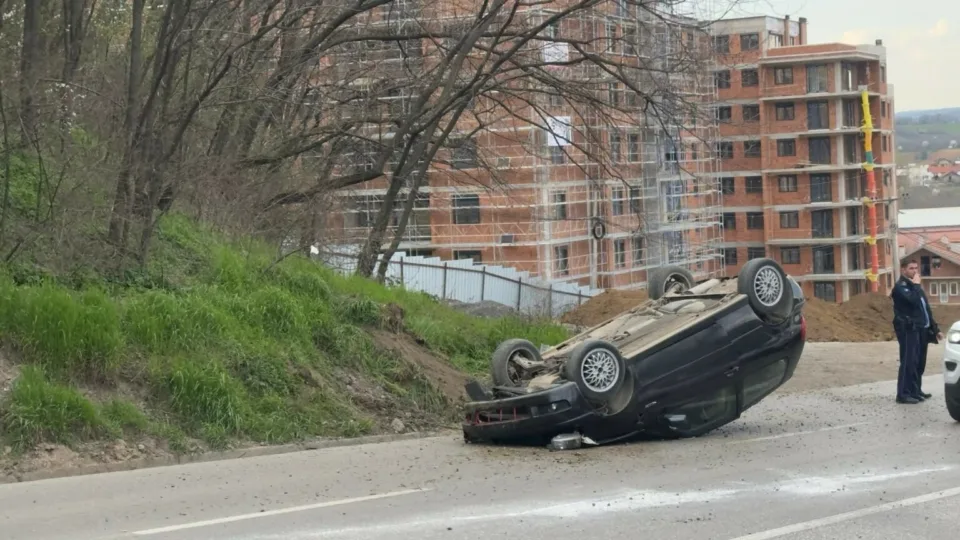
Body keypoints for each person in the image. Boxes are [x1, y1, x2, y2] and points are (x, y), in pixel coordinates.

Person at [890, 259, 936, 404]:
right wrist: (916, 286)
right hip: (907, 328)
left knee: (917, 361)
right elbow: (912, 302)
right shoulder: (900, 287)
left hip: (919, 328)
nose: (915, 271)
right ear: (903, 270)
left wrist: (934, 328)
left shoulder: (915, 287)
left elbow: (924, 308)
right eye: (911, 268)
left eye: (916, 268)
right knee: (908, 361)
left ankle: (915, 391)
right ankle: (903, 394)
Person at [916, 271, 944, 399]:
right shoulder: (907, 291)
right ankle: (912, 391)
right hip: (915, 333)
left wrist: (936, 330)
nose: (917, 275)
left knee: (921, 363)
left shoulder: (920, 292)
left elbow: (928, 312)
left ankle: (918, 390)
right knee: (914, 363)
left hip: (925, 332)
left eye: (917, 271)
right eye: (912, 270)